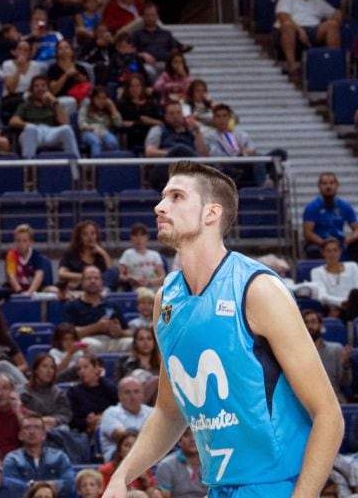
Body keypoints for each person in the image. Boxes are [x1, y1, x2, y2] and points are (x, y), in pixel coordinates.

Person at [102, 161, 344, 498]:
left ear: (210, 213)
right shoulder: (165, 300)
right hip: (218, 487)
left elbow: (329, 415)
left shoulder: (257, 290)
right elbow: (170, 412)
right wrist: (122, 475)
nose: (160, 206)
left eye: (176, 197)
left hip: (277, 485)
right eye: (162, 197)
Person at [274, 0, 342, 79]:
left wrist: (337, 15)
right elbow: (283, 16)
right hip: (293, 29)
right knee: (287, 26)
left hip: (313, 30)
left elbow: (335, 13)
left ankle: (331, 65)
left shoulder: (318, 0)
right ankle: (292, 68)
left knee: (332, 25)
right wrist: (299, 30)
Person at [0, 412, 74, 497]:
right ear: (20, 435)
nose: (32, 432)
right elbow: (10, 488)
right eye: (27, 428)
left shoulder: (59, 456)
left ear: (44, 435)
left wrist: (34, 485)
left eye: (37, 427)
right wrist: (49, 485)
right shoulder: (12, 459)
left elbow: (69, 484)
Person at [61, 266, 130, 353]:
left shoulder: (113, 305)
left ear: (102, 282)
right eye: (88, 278)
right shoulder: (71, 306)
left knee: (131, 343)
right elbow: (68, 334)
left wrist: (120, 332)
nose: (93, 281)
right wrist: (96, 327)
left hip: (112, 340)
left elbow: (128, 331)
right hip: (88, 340)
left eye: (96, 278)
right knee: (89, 344)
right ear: (82, 283)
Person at [10, 76, 80, 159]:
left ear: (48, 89)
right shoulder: (25, 105)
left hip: (50, 133)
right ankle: (28, 167)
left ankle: (76, 166)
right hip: (33, 134)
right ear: (32, 90)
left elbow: (65, 122)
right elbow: (13, 121)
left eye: (43, 86)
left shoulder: (54, 105)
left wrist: (54, 102)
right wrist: (28, 125)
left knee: (67, 129)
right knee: (30, 129)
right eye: (36, 86)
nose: (40, 88)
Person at [143, 102, 208, 191]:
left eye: (178, 113)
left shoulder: (190, 133)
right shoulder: (158, 130)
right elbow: (149, 152)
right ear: (165, 116)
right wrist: (175, 154)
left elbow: (202, 155)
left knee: (182, 149)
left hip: (189, 170)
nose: (175, 116)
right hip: (163, 171)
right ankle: (211, 173)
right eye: (171, 113)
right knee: (179, 149)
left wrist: (197, 131)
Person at [302, 171, 358, 259]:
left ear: (337, 185)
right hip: (319, 242)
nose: (328, 186)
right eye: (324, 183)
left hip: (340, 241)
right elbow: (308, 232)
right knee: (312, 250)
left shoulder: (345, 206)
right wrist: (325, 243)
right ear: (319, 187)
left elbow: (356, 229)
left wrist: (348, 240)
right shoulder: (311, 207)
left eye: (331, 183)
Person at [302, 308, 351, 401]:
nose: (309, 326)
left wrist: (345, 366)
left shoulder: (336, 349)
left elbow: (346, 383)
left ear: (321, 325)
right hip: (306, 400)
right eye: (306, 323)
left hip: (334, 398)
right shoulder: (296, 352)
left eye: (313, 322)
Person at [98, 378, 152, 462]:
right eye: (127, 392)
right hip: (117, 462)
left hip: (150, 457)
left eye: (136, 392)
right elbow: (126, 438)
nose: (133, 397)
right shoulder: (110, 413)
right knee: (129, 445)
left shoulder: (153, 412)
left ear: (143, 394)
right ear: (119, 396)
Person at [19, 355, 72, 431]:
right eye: (44, 366)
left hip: (54, 427)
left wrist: (55, 420)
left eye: (52, 367)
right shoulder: (24, 392)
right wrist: (41, 420)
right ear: (36, 370)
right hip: (31, 427)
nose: (49, 370)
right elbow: (22, 413)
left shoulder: (59, 393)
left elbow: (65, 414)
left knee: (64, 429)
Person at [57, 221, 111, 294]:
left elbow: (111, 273)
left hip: (98, 289)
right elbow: (61, 274)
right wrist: (85, 277)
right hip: (77, 289)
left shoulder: (100, 255)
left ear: (96, 236)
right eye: (85, 234)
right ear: (80, 237)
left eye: (92, 233)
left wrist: (104, 253)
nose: (90, 237)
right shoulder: (70, 254)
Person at [152, 428, 206, 498]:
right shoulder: (166, 465)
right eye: (187, 435)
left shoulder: (212, 463)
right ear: (179, 440)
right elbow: (164, 495)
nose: (192, 439)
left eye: (196, 434)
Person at [310, 237, 358, 314]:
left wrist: (349, 303)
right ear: (323, 253)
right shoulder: (316, 272)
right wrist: (342, 303)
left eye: (335, 250)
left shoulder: (352, 266)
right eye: (328, 251)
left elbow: (356, 290)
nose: (332, 254)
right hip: (333, 307)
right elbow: (322, 296)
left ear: (340, 252)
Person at [4, 224, 54, 296]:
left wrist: (29, 293)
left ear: (31, 242)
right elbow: (11, 276)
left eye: (24, 241)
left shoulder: (37, 256)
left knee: (53, 290)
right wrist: (20, 291)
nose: (21, 244)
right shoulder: (11, 255)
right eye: (18, 241)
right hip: (17, 290)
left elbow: (39, 276)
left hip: (35, 290)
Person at [116, 224, 166, 291]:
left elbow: (162, 277)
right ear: (131, 238)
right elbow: (120, 276)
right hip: (136, 290)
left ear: (147, 237)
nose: (139, 239)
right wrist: (132, 278)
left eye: (142, 235)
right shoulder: (127, 254)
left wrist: (149, 283)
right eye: (135, 235)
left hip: (154, 288)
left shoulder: (155, 255)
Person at [78, 86, 123, 158]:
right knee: (96, 141)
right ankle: (97, 167)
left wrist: (112, 107)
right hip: (88, 133)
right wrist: (93, 129)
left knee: (112, 142)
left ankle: (116, 166)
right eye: (98, 98)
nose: (101, 101)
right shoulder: (85, 109)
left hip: (104, 132)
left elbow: (119, 123)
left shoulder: (109, 110)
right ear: (93, 99)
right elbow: (82, 124)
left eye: (104, 98)